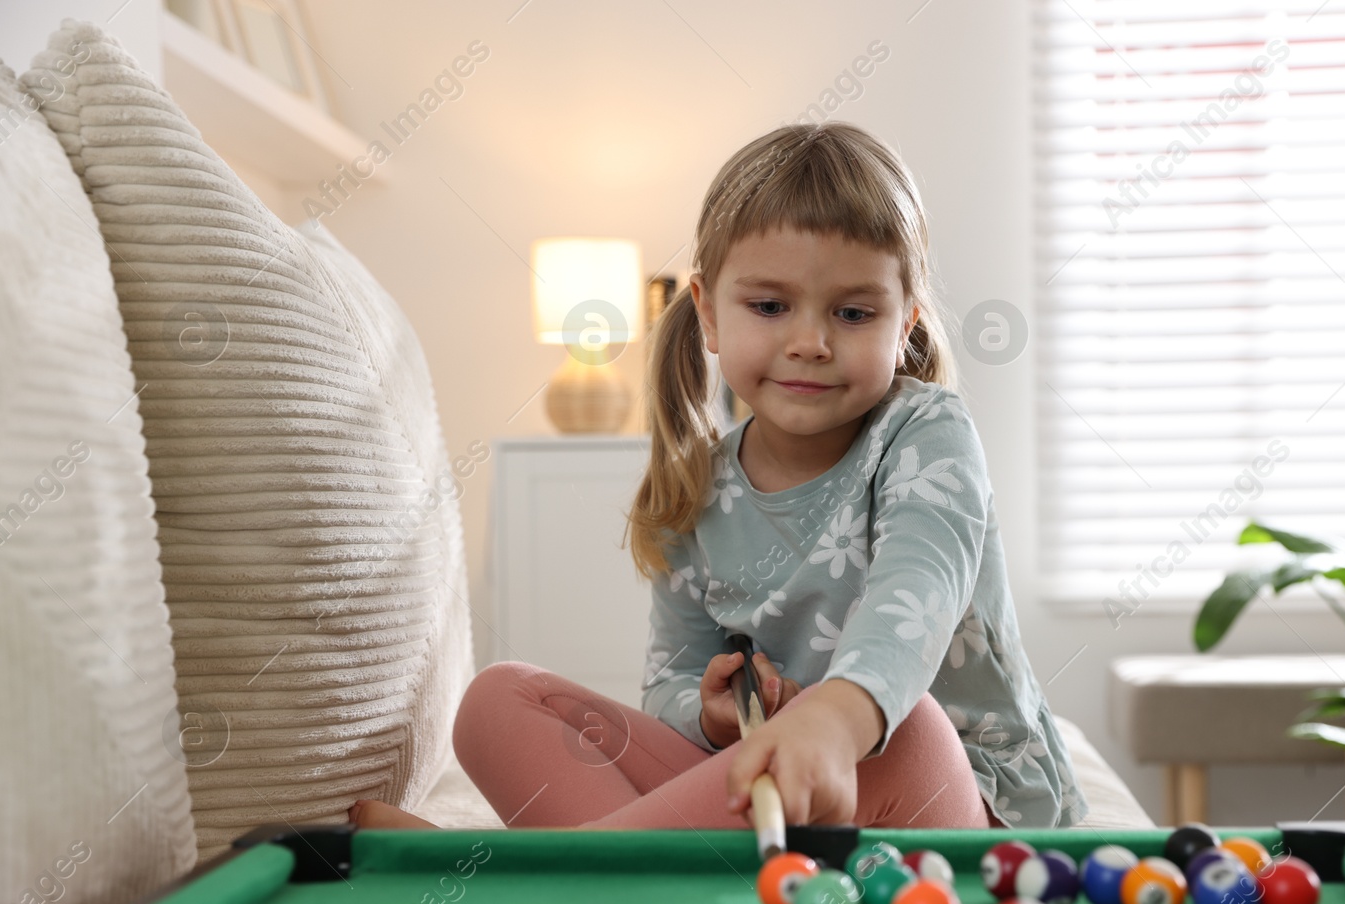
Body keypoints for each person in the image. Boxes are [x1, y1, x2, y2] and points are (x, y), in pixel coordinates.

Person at [352, 120, 1087, 833]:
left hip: (957, 804)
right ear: (706, 312)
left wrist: (834, 718)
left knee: (914, 730)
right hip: (783, 803)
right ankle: (648, 867)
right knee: (497, 700)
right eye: (769, 306)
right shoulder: (696, 487)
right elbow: (670, 679)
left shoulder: (927, 434)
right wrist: (705, 711)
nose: (810, 341)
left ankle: (529, 879)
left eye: (855, 312)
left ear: (907, 326)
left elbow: (917, 590)